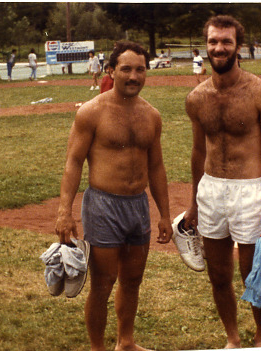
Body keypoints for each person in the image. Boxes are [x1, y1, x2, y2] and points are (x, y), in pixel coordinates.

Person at [55, 41, 173, 351]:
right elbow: (73, 163)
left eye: (140, 70)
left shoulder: (152, 115)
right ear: (111, 71)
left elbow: (157, 167)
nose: (134, 76)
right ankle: (98, 348)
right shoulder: (92, 112)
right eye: (126, 69)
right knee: (103, 284)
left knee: (132, 281)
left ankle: (126, 342)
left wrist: (164, 214)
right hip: (104, 206)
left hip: (137, 206)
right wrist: (64, 212)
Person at [184, 15, 261, 349]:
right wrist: (193, 202)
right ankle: (233, 338)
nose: (219, 47)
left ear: (238, 46)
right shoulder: (197, 98)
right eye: (213, 41)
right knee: (218, 275)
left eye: (226, 41)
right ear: (206, 44)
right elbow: (198, 152)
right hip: (211, 191)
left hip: (250, 191)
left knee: (252, 273)